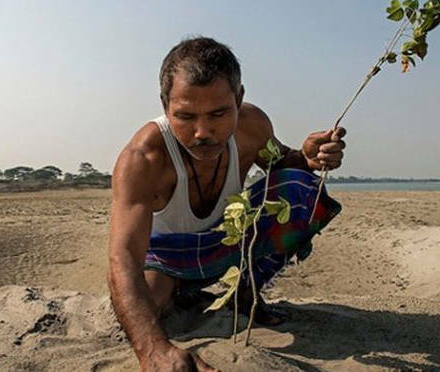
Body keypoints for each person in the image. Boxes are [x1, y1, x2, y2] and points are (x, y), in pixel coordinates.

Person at [107, 37, 346, 372]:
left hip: (227, 243)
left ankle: (245, 293)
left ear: (239, 98)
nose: (203, 132)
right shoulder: (143, 158)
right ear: (164, 105)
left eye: (218, 113)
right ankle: (182, 290)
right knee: (150, 306)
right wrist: (154, 352)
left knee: (301, 188)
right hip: (165, 258)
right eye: (185, 116)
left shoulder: (252, 127)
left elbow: (284, 165)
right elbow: (123, 257)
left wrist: (307, 158)